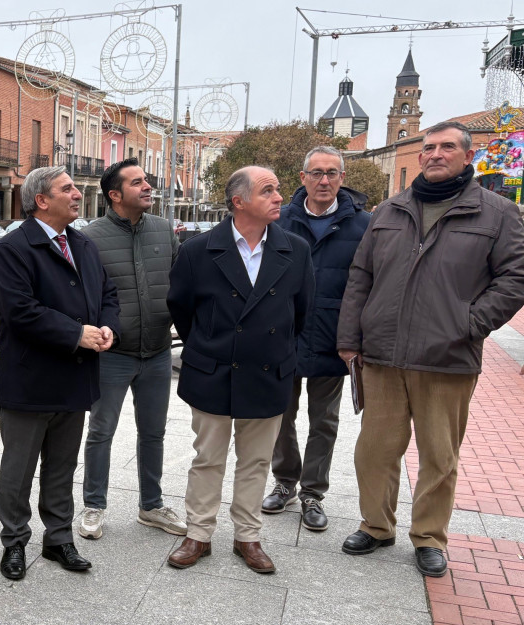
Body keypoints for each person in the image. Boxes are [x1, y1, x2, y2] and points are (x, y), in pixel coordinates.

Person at [338, 121, 524, 577]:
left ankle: (428, 536)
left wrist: (470, 323)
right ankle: (376, 525)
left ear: (466, 156)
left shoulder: (497, 213)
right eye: (428, 148)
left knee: (440, 456)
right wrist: (349, 338)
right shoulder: (390, 210)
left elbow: (515, 277)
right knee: (375, 450)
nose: (435, 154)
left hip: (448, 358)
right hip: (382, 354)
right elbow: (360, 276)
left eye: (446, 147)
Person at [166, 166, 314, 575]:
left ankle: (248, 536)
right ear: (238, 201)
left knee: (256, 462)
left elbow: (301, 312)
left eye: (278, 188)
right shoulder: (198, 250)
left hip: (268, 371)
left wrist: (274, 347)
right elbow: (180, 307)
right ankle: (198, 533)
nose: (279, 196)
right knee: (207, 458)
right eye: (268, 190)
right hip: (212, 369)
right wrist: (209, 344)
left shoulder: (295, 250)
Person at [0, 166, 120, 580]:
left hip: (74, 378)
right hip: (30, 381)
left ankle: (59, 539)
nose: (77, 194)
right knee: (19, 469)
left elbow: (108, 294)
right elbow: (19, 311)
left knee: (62, 467)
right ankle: (14, 542)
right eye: (67, 189)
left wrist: (107, 327)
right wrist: (75, 333)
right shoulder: (14, 248)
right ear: (41, 200)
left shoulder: (82, 244)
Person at [261, 146, 370, 533]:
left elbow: (369, 284)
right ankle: (285, 481)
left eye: (332, 173)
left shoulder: (363, 225)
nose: (324, 180)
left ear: (342, 178)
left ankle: (313, 493)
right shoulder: (278, 220)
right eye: (317, 173)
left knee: (324, 420)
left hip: (333, 337)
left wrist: (358, 336)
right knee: (280, 415)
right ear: (303, 177)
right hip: (283, 335)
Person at [77, 158, 185, 540]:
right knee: (101, 431)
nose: (147, 187)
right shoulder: (90, 236)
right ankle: (93, 505)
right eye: (137, 182)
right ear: (115, 194)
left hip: (157, 351)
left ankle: (151, 506)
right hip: (112, 356)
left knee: (153, 432)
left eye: (147, 181)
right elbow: (85, 294)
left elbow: (179, 283)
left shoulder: (163, 229)